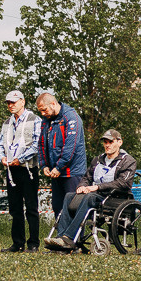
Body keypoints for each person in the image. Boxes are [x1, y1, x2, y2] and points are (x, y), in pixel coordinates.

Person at [44, 129, 136, 251]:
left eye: (111, 142)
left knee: (89, 197)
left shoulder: (128, 161)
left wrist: (97, 187)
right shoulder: (97, 160)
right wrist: (82, 186)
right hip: (96, 195)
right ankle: (60, 237)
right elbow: (87, 178)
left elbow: (123, 183)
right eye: (105, 142)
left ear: (119, 142)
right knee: (69, 196)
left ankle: (68, 238)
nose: (107, 145)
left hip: (116, 198)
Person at [0, 89, 42, 253]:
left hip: (28, 169)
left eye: (13, 102)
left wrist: (20, 159)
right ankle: (18, 243)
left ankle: (33, 243)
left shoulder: (35, 120)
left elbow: (37, 144)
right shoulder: (6, 123)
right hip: (11, 171)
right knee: (15, 208)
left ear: (22, 102)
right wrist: (1, 157)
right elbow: (0, 145)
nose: (10, 105)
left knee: (31, 207)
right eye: (8, 103)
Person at [37, 92, 87, 221]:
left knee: (73, 208)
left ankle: (75, 234)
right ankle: (60, 233)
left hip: (72, 172)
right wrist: (44, 165)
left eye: (44, 110)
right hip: (56, 173)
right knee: (57, 207)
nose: (42, 113)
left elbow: (70, 147)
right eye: (40, 111)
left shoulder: (71, 118)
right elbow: (41, 143)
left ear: (53, 104)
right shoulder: (46, 120)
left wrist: (59, 167)